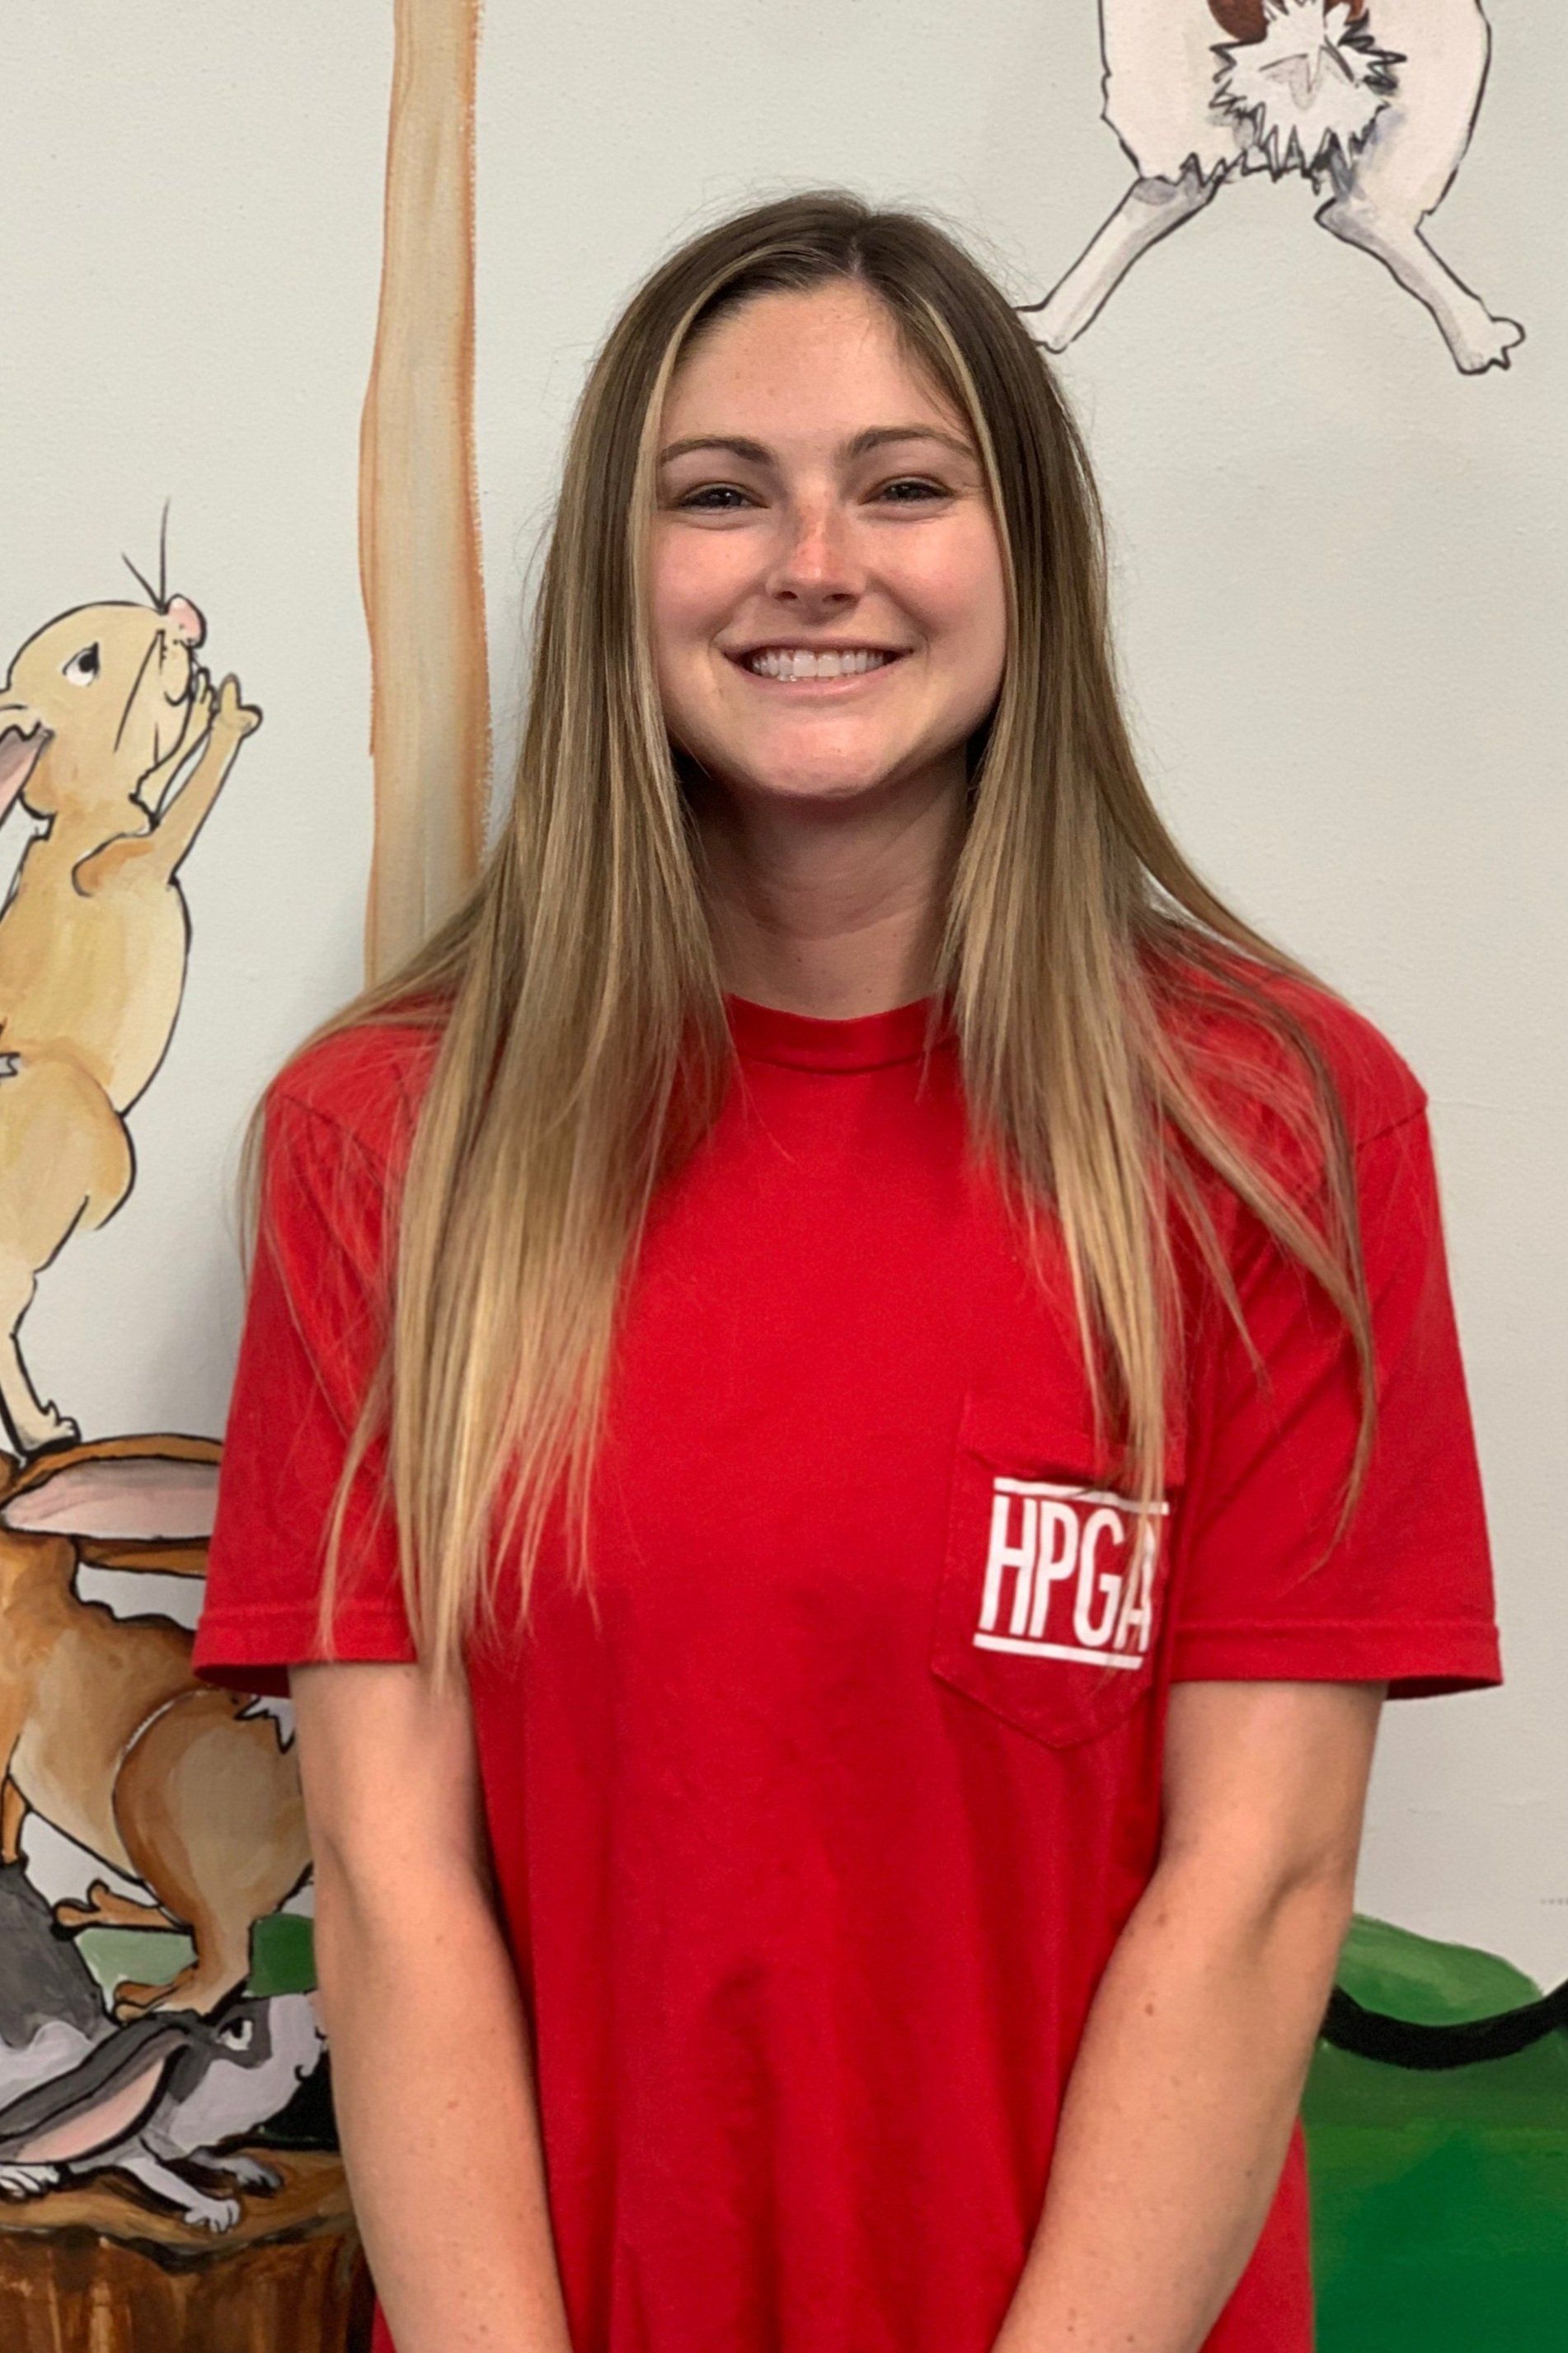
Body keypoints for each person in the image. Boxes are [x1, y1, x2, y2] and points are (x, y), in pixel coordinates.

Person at [191, 189, 1503, 2353]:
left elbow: (1259, 1882)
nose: (818, 561)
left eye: (906, 485)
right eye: (724, 495)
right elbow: (400, 1898)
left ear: (1032, 568)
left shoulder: (1278, 1134)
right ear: (624, 584)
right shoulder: (390, 1144)